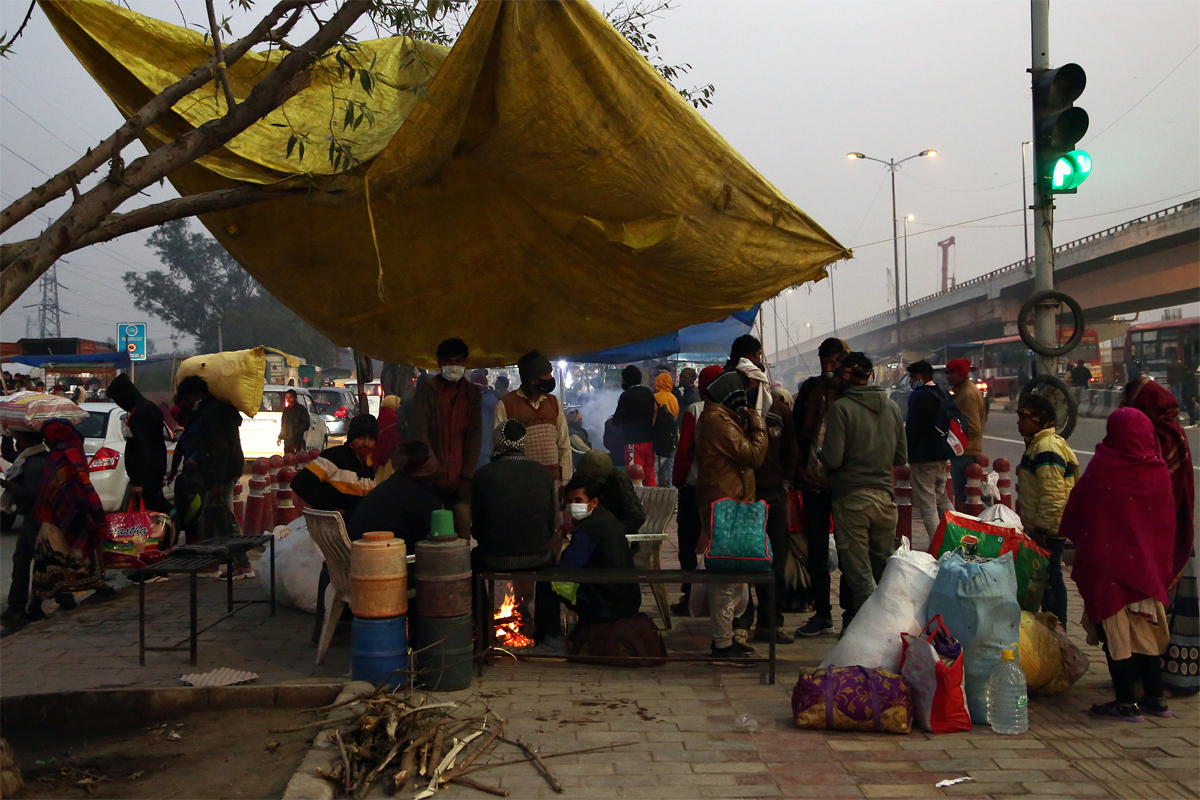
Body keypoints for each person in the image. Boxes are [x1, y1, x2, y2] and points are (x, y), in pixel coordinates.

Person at [1060, 409, 1181, 720]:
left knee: (1116, 635)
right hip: (1145, 568)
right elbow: (1166, 522)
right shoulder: (1157, 469)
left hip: (1109, 566)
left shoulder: (1105, 465)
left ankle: (1126, 703)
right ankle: (1156, 699)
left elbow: (1081, 505)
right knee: (1145, 633)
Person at [819, 352, 907, 628]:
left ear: (846, 377)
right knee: (884, 572)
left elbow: (832, 459)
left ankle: (871, 638)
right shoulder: (892, 408)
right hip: (885, 501)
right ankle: (894, 630)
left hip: (852, 500)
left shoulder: (841, 409)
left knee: (860, 577)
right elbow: (900, 457)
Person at [1122, 377, 1197, 695]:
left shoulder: (1161, 436)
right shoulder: (1170, 432)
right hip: (1172, 533)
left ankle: (1174, 679)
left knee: (1163, 607)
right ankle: (1150, 675)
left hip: (1163, 536)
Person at [695, 371, 768, 658]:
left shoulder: (719, 417)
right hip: (724, 505)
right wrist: (758, 426)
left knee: (735, 575)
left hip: (729, 503)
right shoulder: (717, 421)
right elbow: (753, 456)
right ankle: (722, 642)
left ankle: (725, 638)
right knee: (727, 577)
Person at [471, 421, 561, 647]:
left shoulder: (482, 475)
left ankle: (482, 630)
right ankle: (548, 634)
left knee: (472, 560)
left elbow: (477, 527)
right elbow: (550, 524)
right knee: (549, 567)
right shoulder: (542, 474)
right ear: (523, 443)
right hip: (536, 556)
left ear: (496, 442)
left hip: (492, 557)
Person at [735, 367, 798, 645]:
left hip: (772, 493)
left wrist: (785, 484)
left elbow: (791, 451)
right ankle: (742, 621)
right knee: (741, 560)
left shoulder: (779, 412)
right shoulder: (731, 413)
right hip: (743, 496)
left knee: (775, 560)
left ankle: (771, 623)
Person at [792, 337, 851, 637]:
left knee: (849, 550)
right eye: (824, 362)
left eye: (834, 363)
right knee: (816, 550)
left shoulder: (853, 393)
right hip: (812, 482)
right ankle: (822, 613)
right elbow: (797, 433)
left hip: (843, 485)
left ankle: (850, 614)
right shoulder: (809, 390)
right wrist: (799, 469)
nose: (828, 368)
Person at [28, 420, 113, 617]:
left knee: (57, 559)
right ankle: (37, 604)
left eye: (47, 436)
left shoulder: (62, 455)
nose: (45, 441)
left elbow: (63, 485)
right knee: (46, 560)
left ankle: (101, 588)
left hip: (58, 515)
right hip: (59, 513)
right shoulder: (73, 450)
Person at [542, 475, 640, 645]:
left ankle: (550, 642)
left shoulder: (589, 529)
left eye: (579, 500)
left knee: (548, 583)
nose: (574, 506)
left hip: (608, 603)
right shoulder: (606, 518)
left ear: (593, 502)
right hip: (627, 599)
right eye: (571, 501)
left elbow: (566, 568)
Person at [176, 376, 253, 576]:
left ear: (196, 395)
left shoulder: (211, 413)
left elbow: (218, 447)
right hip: (223, 469)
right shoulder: (214, 409)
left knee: (224, 518)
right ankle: (214, 562)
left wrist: (217, 480)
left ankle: (242, 564)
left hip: (222, 472)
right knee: (212, 518)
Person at [1016, 394, 1078, 627]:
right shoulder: (1038, 445)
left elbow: (1053, 495)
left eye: (1024, 417)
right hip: (1044, 526)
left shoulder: (1046, 448)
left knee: (1052, 579)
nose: (1019, 423)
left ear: (1039, 420)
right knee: (1045, 579)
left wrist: (1041, 528)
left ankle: (1058, 626)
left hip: (1049, 529)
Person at [410, 338, 482, 537]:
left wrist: (466, 477)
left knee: (461, 533)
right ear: (440, 363)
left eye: (459, 361)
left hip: (461, 481)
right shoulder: (427, 391)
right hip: (429, 480)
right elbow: (419, 434)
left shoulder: (473, 393)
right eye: (450, 361)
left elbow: (475, 437)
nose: (455, 366)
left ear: (465, 363)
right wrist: (436, 473)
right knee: (430, 534)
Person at [670, 365, 723, 615]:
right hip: (723, 489)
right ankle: (719, 598)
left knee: (688, 543)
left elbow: (684, 450)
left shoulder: (695, 410)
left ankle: (690, 595)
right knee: (719, 543)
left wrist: (678, 479)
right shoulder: (733, 410)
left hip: (694, 487)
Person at [494, 351, 573, 488]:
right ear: (532, 379)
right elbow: (499, 449)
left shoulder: (553, 402)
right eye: (546, 375)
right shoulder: (505, 404)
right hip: (522, 484)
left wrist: (565, 482)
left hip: (553, 484)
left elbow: (564, 444)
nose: (550, 378)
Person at [346, 440, 439, 548]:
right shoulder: (418, 495)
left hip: (355, 553)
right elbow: (430, 540)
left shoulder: (388, 486)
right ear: (427, 470)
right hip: (380, 557)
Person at [0, 430, 49, 628]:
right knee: (26, 560)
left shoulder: (34, 463)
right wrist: (6, 435)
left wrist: (6, 484)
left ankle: (24, 606)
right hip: (32, 518)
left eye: (19, 440)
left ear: (29, 441)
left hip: (36, 518)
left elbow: (30, 495)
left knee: (37, 563)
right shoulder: (27, 458)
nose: (17, 444)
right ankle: (20, 605)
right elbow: (9, 454)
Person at [904, 360, 954, 551]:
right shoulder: (942, 393)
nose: (910, 380)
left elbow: (913, 429)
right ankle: (958, 535)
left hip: (924, 458)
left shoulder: (918, 396)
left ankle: (938, 546)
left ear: (922, 377)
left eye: (913, 377)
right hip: (943, 454)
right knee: (942, 498)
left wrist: (908, 453)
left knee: (927, 506)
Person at [106, 373, 170, 514]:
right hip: (153, 471)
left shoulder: (141, 413)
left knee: (152, 511)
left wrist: (138, 481)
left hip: (148, 474)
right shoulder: (147, 408)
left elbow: (143, 447)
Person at [291, 414, 377, 518]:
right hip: (331, 529)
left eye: (371, 439)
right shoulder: (335, 456)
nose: (366, 443)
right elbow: (300, 482)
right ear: (351, 438)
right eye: (361, 437)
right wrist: (329, 510)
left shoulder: (368, 465)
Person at [574, 450, 646, 538]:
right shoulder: (583, 478)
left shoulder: (618, 481)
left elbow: (637, 517)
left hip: (617, 538)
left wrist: (610, 531)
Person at [946, 357, 987, 510]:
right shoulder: (962, 391)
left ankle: (990, 521)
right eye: (947, 372)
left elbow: (973, 427)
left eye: (952, 372)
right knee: (967, 496)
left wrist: (955, 438)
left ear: (962, 374)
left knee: (966, 497)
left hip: (965, 452)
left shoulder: (968, 394)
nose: (948, 376)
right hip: (964, 450)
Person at [612, 365, 658, 487]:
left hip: (633, 442)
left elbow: (617, 419)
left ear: (626, 379)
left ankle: (637, 503)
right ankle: (652, 502)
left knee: (634, 477)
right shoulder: (648, 392)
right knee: (649, 475)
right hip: (649, 442)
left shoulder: (626, 395)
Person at [652, 372, 680, 488]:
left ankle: (653, 492)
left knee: (654, 468)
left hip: (661, 438)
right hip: (674, 437)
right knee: (671, 468)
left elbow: (653, 419)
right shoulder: (673, 398)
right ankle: (673, 494)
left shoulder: (656, 397)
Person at [373, 395, 403, 483]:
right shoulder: (394, 418)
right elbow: (390, 440)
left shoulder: (382, 415)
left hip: (378, 456)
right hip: (388, 459)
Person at [473, 370, 499, 469]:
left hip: (484, 445)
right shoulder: (493, 397)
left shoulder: (484, 400)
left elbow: (482, 424)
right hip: (489, 445)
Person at [277, 389, 310, 456]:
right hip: (287, 440)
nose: (288, 399)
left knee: (297, 458)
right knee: (288, 458)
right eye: (287, 397)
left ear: (295, 398)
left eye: (290, 397)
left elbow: (306, 423)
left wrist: (297, 431)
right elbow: (283, 425)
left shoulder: (301, 409)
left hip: (297, 440)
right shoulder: (286, 410)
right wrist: (280, 437)